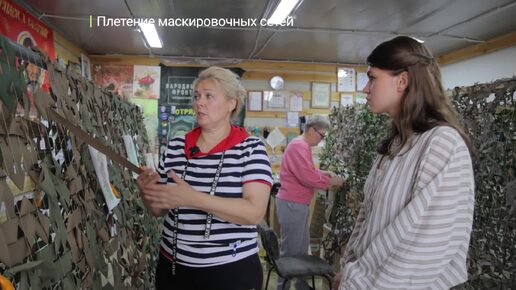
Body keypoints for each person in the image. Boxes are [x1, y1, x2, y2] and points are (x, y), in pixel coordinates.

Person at [333, 36, 475, 290]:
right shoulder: (395, 144)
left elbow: (423, 247)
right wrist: (347, 268)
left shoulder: (442, 144)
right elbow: (367, 217)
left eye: (372, 77)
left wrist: (357, 284)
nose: (365, 88)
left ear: (402, 81)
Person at [137, 66, 273, 290]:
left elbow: (254, 213)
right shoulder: (176, 146)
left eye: (209, 96)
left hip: (231, 271)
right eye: (197, 96)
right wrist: (147, 192)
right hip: (173, 268)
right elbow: (158, 210)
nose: (199, 102)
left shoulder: (250, 149)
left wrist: (191, 198)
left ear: (232, 103)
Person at [275, 115, 344, 290]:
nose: (322, 140)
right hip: (293, 204)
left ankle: (300, 284)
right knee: (291, 251)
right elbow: (307, 177)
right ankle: (282, 286)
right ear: (312, 130)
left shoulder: (301, 145)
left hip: (296, 203)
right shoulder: (299, 146)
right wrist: (330, 182)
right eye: (322, 135)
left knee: (300, 248)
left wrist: (322, 172)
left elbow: (308, 170)